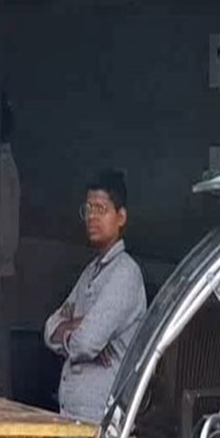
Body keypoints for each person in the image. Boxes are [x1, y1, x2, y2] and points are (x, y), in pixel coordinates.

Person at [45, 169, 147, 423]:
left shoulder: (125, 273)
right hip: (73, 417)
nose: (92, 216)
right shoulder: (90, 272)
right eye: (88, 208)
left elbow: (87, 342)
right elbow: (49, 330)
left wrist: (79, 333)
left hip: (101, 420)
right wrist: (79, 329)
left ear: (121, 217)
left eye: (101, 209)